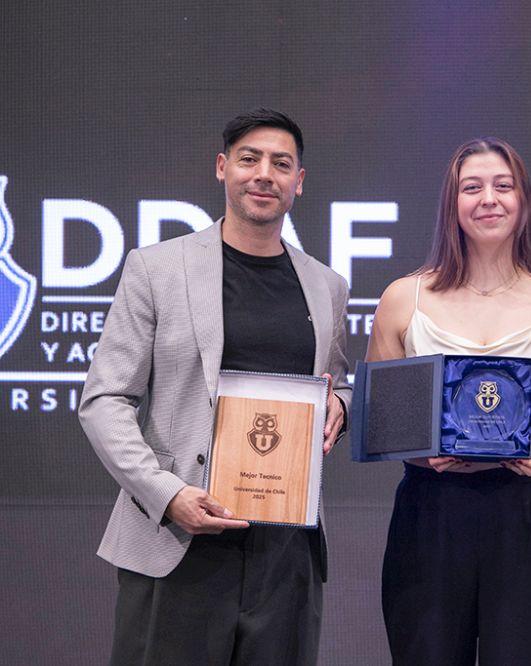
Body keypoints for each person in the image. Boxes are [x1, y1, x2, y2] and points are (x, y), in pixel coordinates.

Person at [78, 108, 351, 665]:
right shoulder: (157, 268)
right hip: (180, 539)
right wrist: (167, 494)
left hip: (285, 550)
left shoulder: (327, 286)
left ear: (299, 182)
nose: (264, 174)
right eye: (249, 159)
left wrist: (339, 407)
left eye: (281, 164)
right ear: (223, 168)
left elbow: (335, 382)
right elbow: (105, 399)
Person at [366, 137, 531, 665]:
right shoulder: (404, 298)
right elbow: (379, 419)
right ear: (451, 205)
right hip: (432, 509)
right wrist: (417, 450)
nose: (488, 199)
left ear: (524, 202)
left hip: (530, 511)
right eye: (471, 188)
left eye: (504, 186)